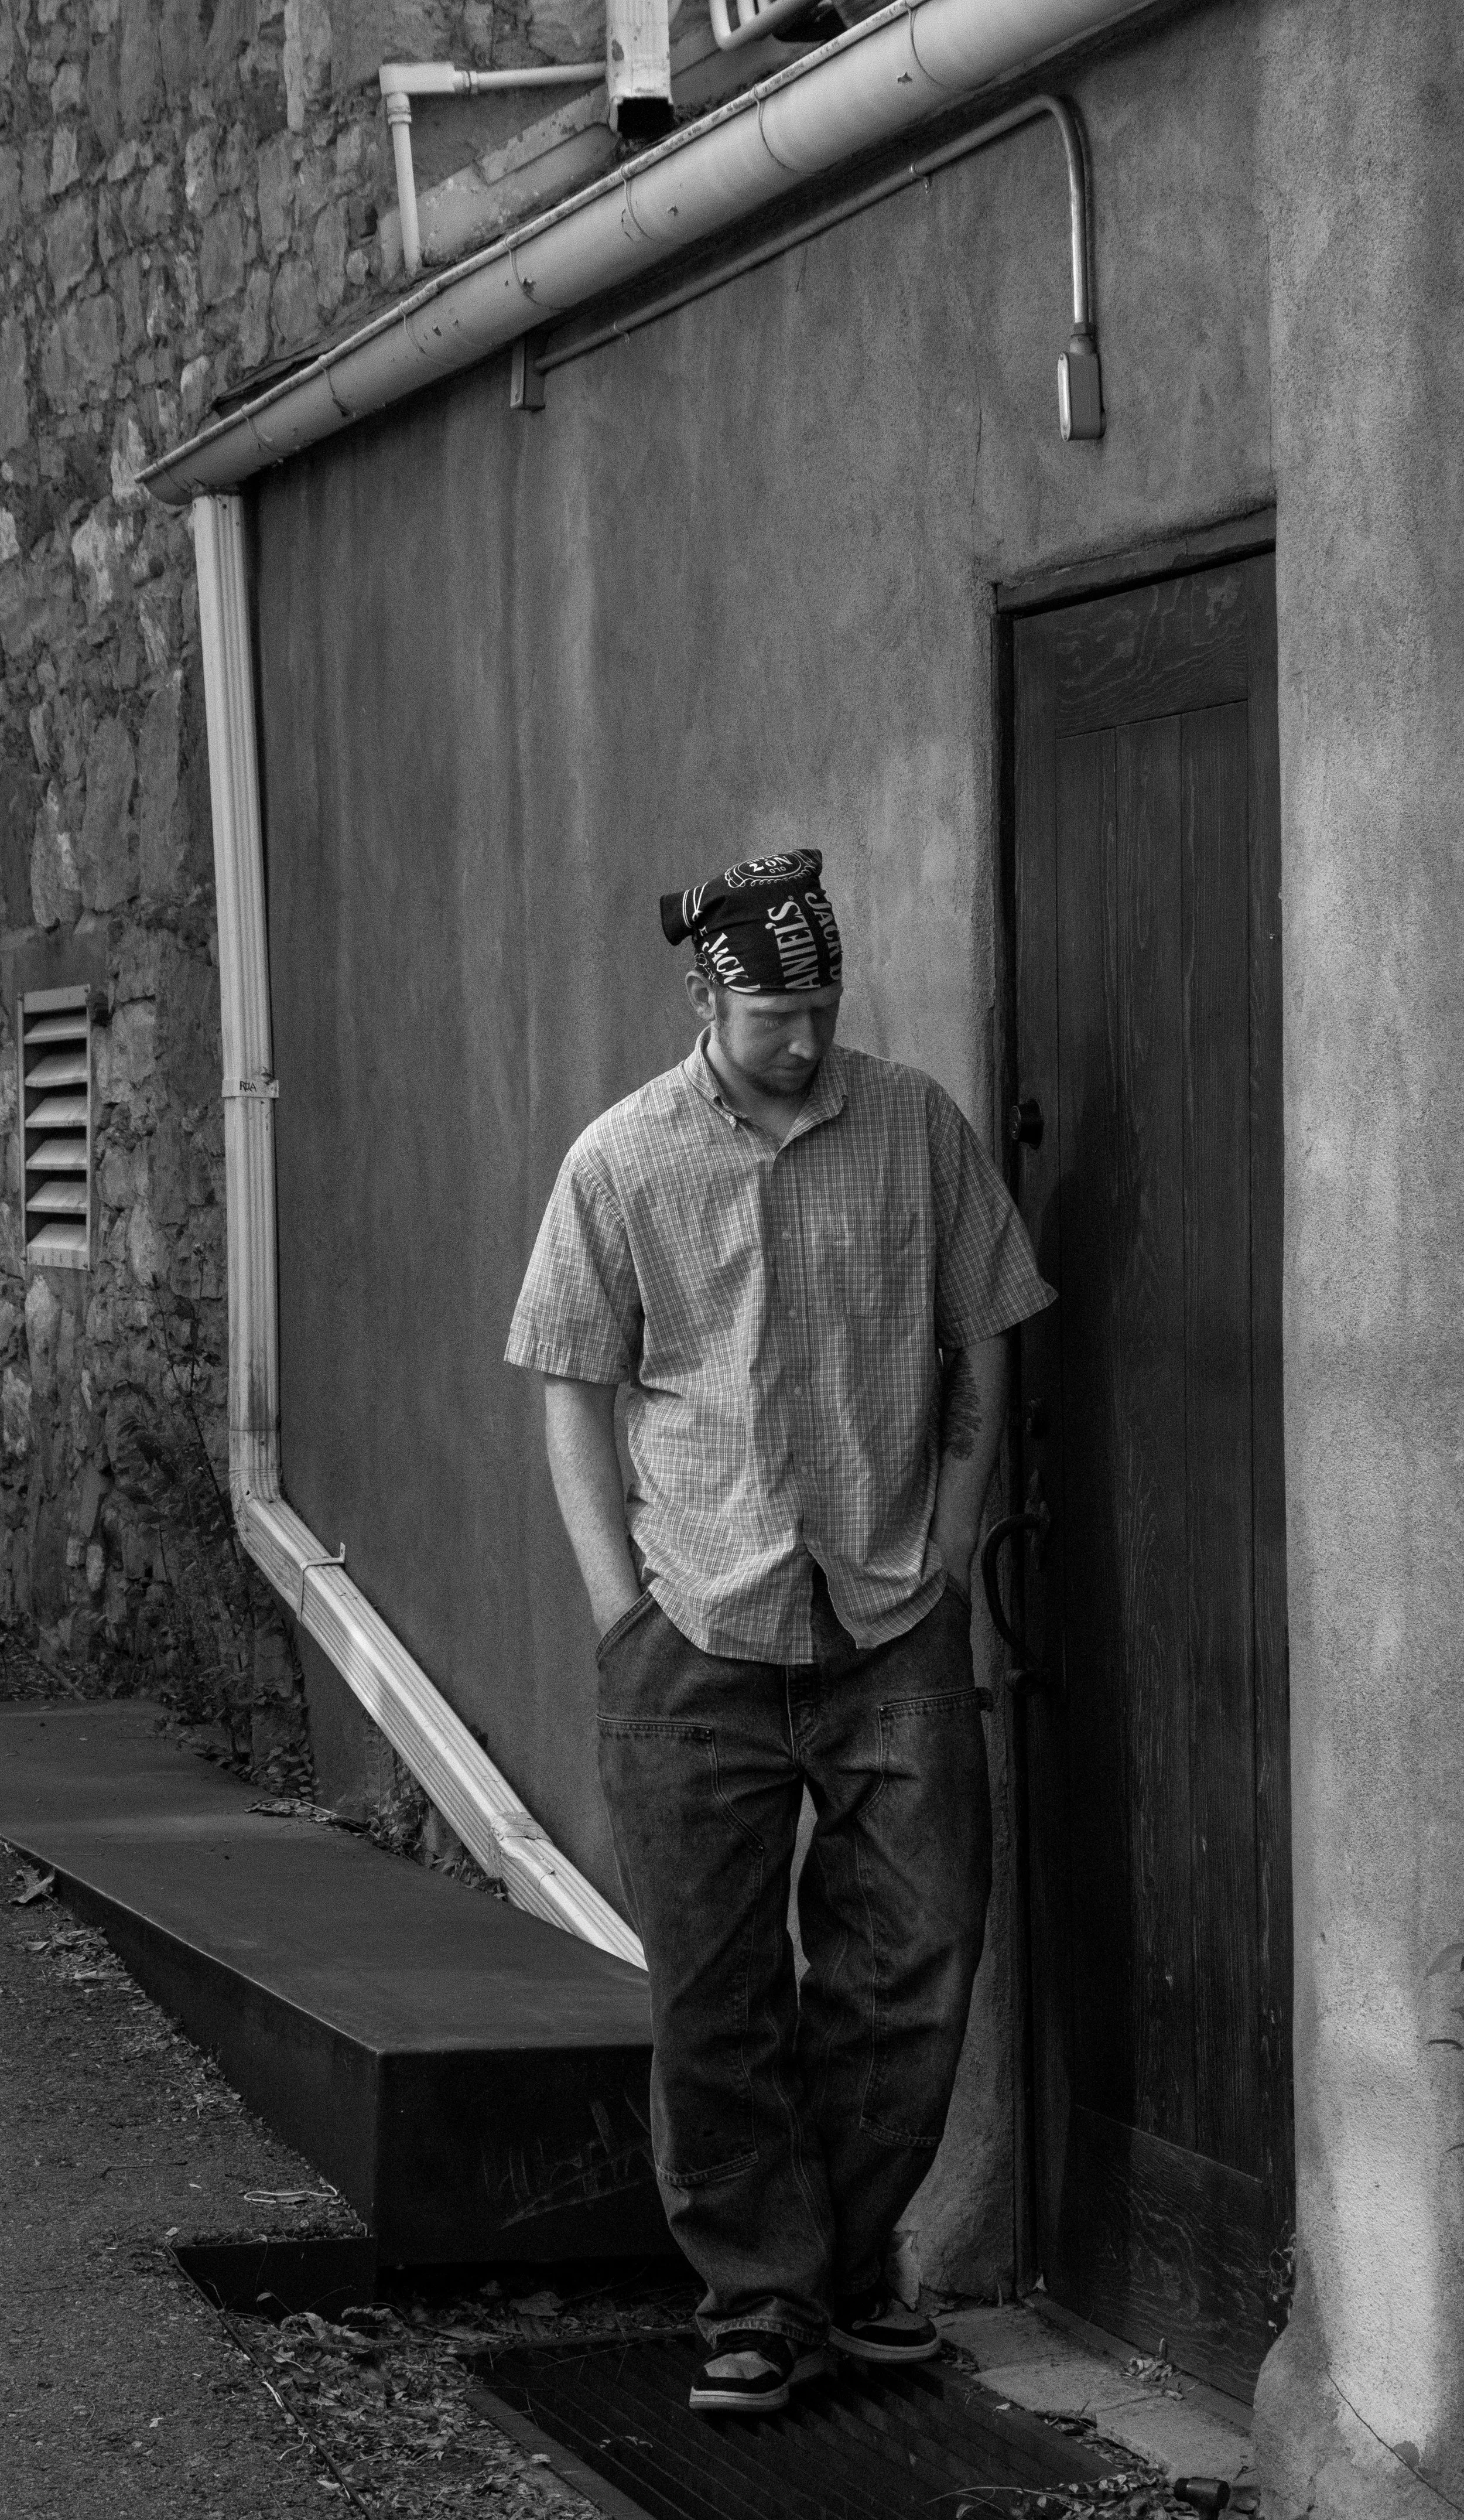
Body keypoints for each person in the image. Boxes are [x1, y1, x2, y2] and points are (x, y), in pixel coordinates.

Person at [505, 850, 1052, 2416]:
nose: (802, 1040)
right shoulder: (621, 1160)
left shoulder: (915, 1129)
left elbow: (984, 1331)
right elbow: (569, 1384)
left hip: (888, 1618)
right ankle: (756, 2296)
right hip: (693, 1628)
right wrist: (618, 1608)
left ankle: (849, 2261)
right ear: (704, 997)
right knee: (712, 1985)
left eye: (818, 1009)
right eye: (770, 1014)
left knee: (917, 1952)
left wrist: (950, 1532)